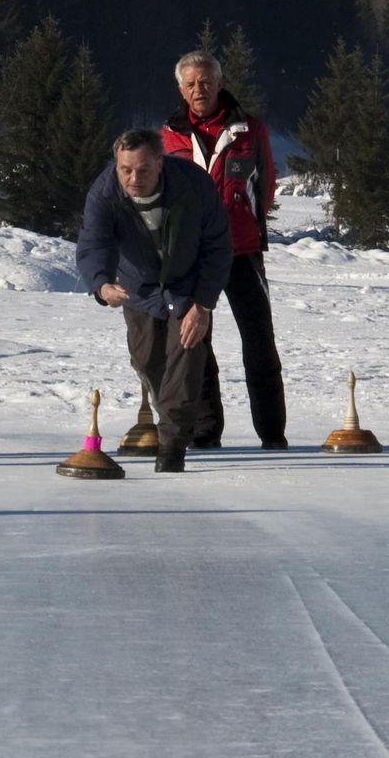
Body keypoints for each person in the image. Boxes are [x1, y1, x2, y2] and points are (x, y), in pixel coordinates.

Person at [75, 130, 231, 472]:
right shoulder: (104, 192)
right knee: (146, 360)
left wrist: (203, 304)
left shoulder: (193, 184)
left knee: (186, 353)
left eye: (143, 169)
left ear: (160, 163)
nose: (134, 178)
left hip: (187, 285)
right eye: (125, 170)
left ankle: (172, 446)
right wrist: (101, 285)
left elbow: (218, 246)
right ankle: (180, 419)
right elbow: (93, 243)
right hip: (139, 289)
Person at [162, 51, 287, 449]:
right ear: (181, 89)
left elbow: (265, 186)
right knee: (195, 342)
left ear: (219, 83)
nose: (199, 89)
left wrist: (244, 220)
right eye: (191, 84)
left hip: (242, 251)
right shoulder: (169, 135)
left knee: (259, 340)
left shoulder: (250, 129)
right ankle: (205, 430)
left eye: (206, 82)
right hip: (192, 256)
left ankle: (272, 432)